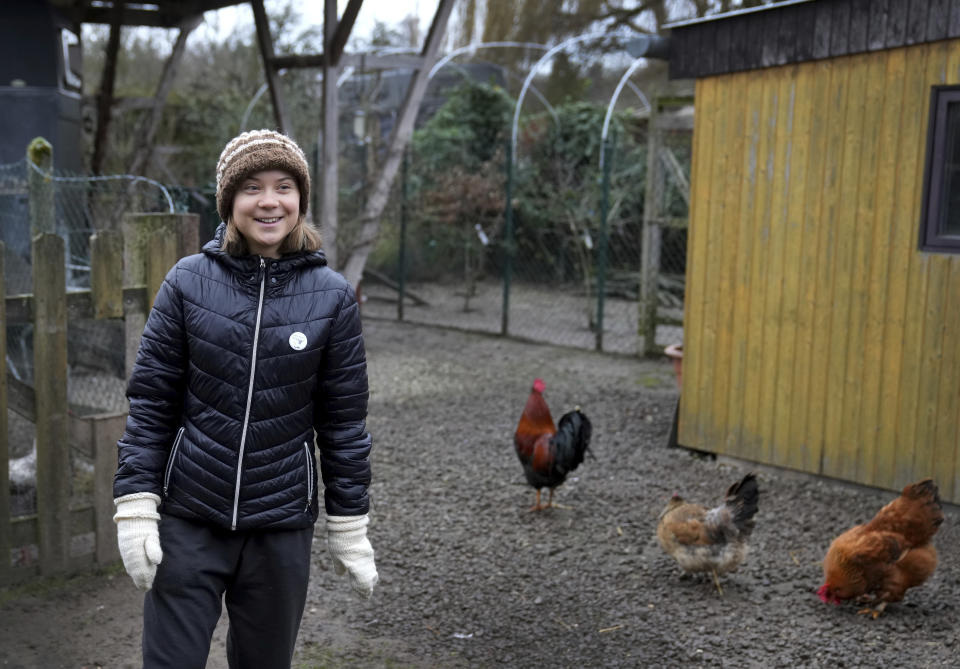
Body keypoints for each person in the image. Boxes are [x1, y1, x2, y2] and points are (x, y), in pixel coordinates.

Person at [112, 129, 378, 668]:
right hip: (191, 516)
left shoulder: (331, 296)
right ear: (230, 201)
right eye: (251, 187)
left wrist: (350, 524)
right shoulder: (187, 283)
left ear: (300, 199)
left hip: (280, 527)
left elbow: (344, 421)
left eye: (284, 186)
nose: (268, 201)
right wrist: (136, 504)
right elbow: (152, 402)